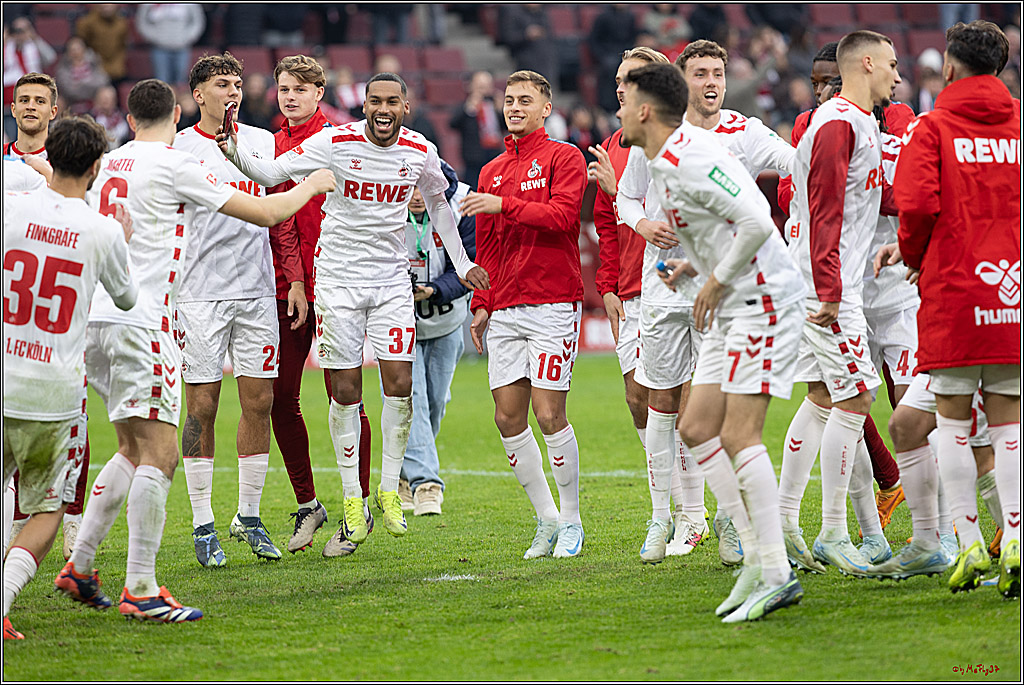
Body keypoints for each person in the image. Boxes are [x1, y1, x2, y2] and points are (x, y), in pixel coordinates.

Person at [54, 78, 335, 622]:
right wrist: (313, 184)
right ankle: (142, 585)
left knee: (131, 450)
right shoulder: (176, 160)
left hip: (99, 320)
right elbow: (268, 213)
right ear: (179, 110)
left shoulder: (110, 163)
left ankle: (81, 565)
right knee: (159, 453)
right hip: (147, 320)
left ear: (131, 119)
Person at [218, 71, 488, 550]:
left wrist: (463, 263)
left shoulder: (420, 151)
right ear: (364, 105)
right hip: (339, 283)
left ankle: (388, 490)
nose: (383, 110)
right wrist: (233, 149)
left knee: (400, 384)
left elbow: (440, 204)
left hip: (389, 283)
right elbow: (272, 175)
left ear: (405, 108)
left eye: (393, 102)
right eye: (375, 101)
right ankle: (349, 499)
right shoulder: (333, 142)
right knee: (344, 391)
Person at [619, 62, 806, 622]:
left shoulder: (689, 158)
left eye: (626, 102)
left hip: (763, 299)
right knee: (697, 428)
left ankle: (773, 569)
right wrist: (693, 271)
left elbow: (754, 222)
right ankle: (755, 556)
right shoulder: (662, 160)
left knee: (738, 434)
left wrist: (716, 280)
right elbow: (720, 230)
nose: (620, 112)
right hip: (730, 301)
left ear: (646, 111)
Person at [893, 22, 1020, 596]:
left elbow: (915, 204)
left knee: (951, 425)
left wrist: (915, 257)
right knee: (1008, 425)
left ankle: (968, 544)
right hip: (1011, 287)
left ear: (949, 67)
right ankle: (1016, 538)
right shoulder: (1019, 124)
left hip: (954, 287)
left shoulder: (934, 127)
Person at [2, 115, 137, 641]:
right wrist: (122, 239)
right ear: (97, 166)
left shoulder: (11, 208)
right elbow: (125, 298)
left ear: (47, 155)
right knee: (46, 510)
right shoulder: (101, 228)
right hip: (51, 391)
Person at [778, 30, 901, 577]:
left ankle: (783, 521)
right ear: (867, 63)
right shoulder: (839, 123)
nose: (897, 76)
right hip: (826, 286)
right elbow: (826, 210)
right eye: (891, 65)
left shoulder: (856, 122)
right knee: (856, 399)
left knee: (827, 397)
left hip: (819, 280)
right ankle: (832, 530)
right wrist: (829, 291)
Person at [463, 70, 588, 559]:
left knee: (549, 412)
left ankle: (574, 519)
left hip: (553, 301)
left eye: (524, 100)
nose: (513, 107)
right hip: (507, 308)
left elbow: (562, 217)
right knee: (506, 416)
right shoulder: (491, 169)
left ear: (545, 107)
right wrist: (480, 304)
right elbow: (488, 245)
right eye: (508, 101)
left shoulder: (565, 156)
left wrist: (505, 204)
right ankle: (547, 520)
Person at [172, 53, 288, 567]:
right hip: (198, 293)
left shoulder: (262, 142)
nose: (234, 92)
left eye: (238, 83)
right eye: (223, 84)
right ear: (199, 94)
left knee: (259, 401)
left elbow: (281, 217)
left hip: (257, 290)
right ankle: (202, 523)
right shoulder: (179, 149)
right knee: (201, 407)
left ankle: (249, 515)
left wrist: (297, 280)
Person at [262, 55, 374, 558]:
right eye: (283, 88)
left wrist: (311, 281)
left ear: (318, 93)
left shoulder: (340, 142)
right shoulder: (271, 144)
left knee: (343, 393)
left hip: (333, 284)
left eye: (299, 90)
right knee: (279, 397)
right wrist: (293, 281)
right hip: (289, 287)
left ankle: (361, 505)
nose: (289, 97)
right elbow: (279, 221)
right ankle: (309, 504)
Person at [589, 47, 684, 558]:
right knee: (638, 400)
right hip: (629, 286)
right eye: (621, 79)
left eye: (634, 79)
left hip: (674, 286)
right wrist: (606, 283)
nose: (623, 87)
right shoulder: (613, 144)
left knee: (677, 403)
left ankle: (684, 516)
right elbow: (606, 223)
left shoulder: (674, 138)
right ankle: (670, 511)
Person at [397, 163, 475, 516]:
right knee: (412, 401)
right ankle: (427, 485)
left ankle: (401, 473)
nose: (415, 197)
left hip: (446, 320)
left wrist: (434, 290)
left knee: (435, 403)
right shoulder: (383, 206)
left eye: (421, 188)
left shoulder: (462, 206)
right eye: (408, 188)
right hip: (400, 322)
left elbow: (470, 266)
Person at [449, 70, 505, 188]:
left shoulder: (494, 104)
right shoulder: (466, 105)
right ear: (471, 87)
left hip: (494, 154)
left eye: (487, 87)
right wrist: (469, 108)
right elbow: (453, 124)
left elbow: (507, 127)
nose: (484, 91)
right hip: (473, 159)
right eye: (480, 87)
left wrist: (502, 110)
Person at [135, 4, 206, 87]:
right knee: (161, 82)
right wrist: (155, 37)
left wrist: (187, 38)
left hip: (182, 47)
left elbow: (198, 21)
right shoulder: (149, 4)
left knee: (181, 82)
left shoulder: (190, 4)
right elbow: (141, 22)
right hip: (159, 48)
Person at [75, 4, 130, 86]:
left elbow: (122, 47)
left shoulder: (122, 24)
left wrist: (117, 67)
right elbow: (81, 46)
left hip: (116, 70)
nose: (106, 6)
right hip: (93, 70)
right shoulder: (86, 23)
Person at [53, 37, 110, 113]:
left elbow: (103, 80)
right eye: (73, 50)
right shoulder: (63, 67)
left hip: (94, 99)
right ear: (68, 53)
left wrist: (79, 84)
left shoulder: (94, 62)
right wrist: (88, 84)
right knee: (58, 102)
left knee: (107, 93)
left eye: (78, 48)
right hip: (70, 101)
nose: (76, 52)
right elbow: (68, 89)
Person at [89, 84, 130, 150]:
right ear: (96, 100)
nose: (106, 102)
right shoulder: (90, 119)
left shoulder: (123, 117)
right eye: (103, 99)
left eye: (109, 99)